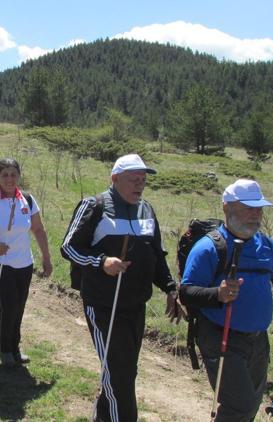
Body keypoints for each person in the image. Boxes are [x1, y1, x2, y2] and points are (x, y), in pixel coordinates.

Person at [60, 153, 183, 422]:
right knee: (119, 375)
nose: (139, 185)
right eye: (133, 179)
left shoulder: (147, 210)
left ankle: (102, 416)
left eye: (143, 180)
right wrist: (101, 261)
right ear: (115, 179)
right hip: (104, 305)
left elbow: (157, 256)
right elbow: (68, 247)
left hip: (135, 305)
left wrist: (171, 288)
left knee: (124, 371)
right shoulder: (94, 206)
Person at [180, 179, 273, 422]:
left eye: (259, 208)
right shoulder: (208, 248)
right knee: (240, 406)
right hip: (220, 335)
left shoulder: (266, 246)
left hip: (258, 340)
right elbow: (186, 292)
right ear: (227, 207)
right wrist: (217, 295)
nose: (256, 215)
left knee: (249, 406)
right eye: (249, 208)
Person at [0, 158, 52, 366]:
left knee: (19, 305)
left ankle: (15, 347)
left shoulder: (28, 199)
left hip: (23, 261)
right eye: (5, 175)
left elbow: (38, 230)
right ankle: (5, 349)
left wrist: (47, 258)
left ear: (19, 176)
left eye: (13, 174)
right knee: (8, 303)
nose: (9, 179)